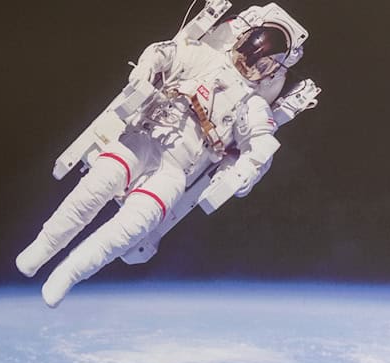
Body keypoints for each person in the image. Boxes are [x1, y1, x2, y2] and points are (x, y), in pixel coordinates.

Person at [16, 4, 310, 307]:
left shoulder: (252, 105)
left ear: (272, 72)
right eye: (247, 55)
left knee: (134, 227)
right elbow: (164, 52)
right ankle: (44, 247)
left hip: (176, 171)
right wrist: (144, 72)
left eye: (261, 67)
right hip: (145, 138)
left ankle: (67, 274)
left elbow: (261, 143)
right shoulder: (205, 58)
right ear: (240, 41)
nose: (249, 67)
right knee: (95, 187)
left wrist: (247, 171)